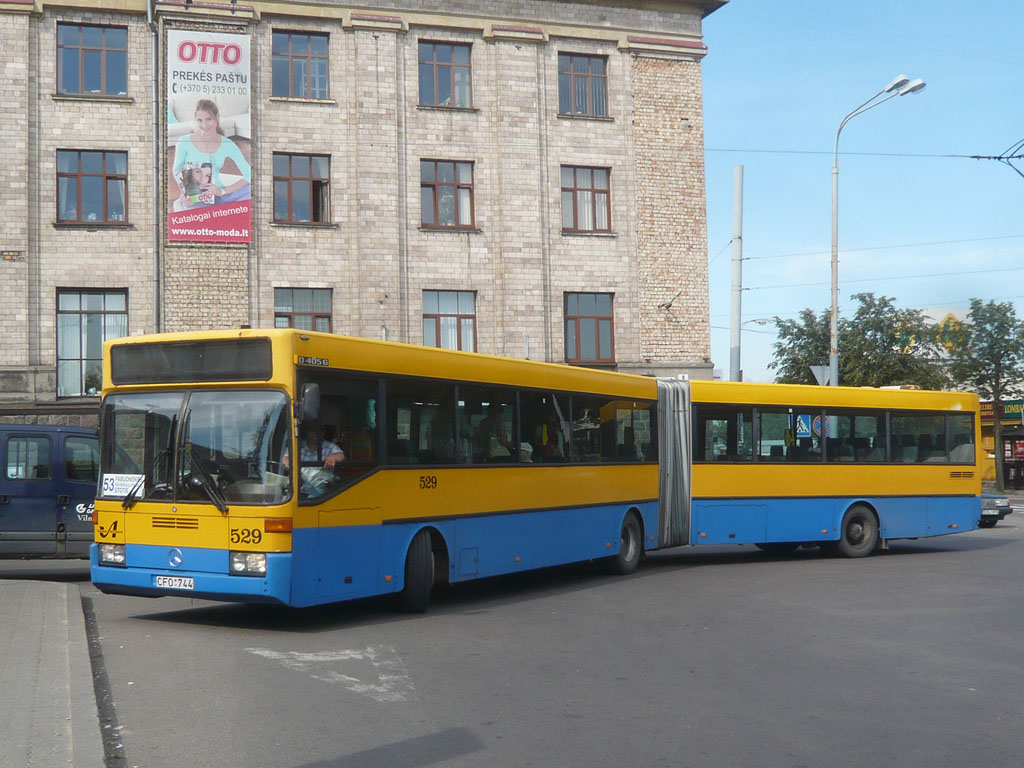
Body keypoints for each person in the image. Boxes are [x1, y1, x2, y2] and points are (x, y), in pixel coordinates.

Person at [172, 98, 251, 209]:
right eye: (200, 120)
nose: (204, 125)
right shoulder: (184, 142)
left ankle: (225, 212)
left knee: (252, 190)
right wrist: (185, 191)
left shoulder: (227, 144)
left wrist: (222, 191)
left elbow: (249, 175)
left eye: (209, 119)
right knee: (195, 212)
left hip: (220, 195)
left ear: (217, 118)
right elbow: (176, 170)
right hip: (197, 198)